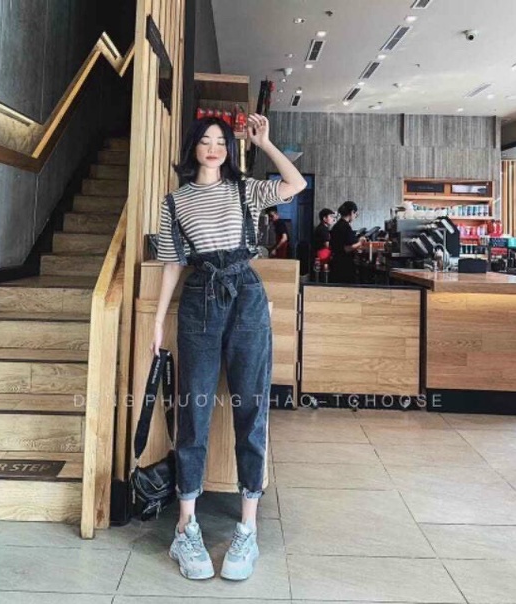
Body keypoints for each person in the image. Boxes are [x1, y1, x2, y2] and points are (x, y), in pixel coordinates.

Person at [152, 114, 306, 581]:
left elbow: (295, 184)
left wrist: (266, 143)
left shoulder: (247, 190)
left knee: (251, 408)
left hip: (247, 295)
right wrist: (158, 320)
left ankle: (247, 528)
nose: (214, 147)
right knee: (194, 409)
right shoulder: (175, 201)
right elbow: (172, 263)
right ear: (193, 147)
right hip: (199, 296)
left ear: (229, 149)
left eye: (221, 141)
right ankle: (186, 527)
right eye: (206, 140)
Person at [329, 201, 366, 283]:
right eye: (355, 213)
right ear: (352, 212)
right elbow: (346, 248)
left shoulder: (337, 225)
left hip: (336, 263)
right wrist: (360, 242)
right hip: (344, 265)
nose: (355, 216)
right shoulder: (345, 227)